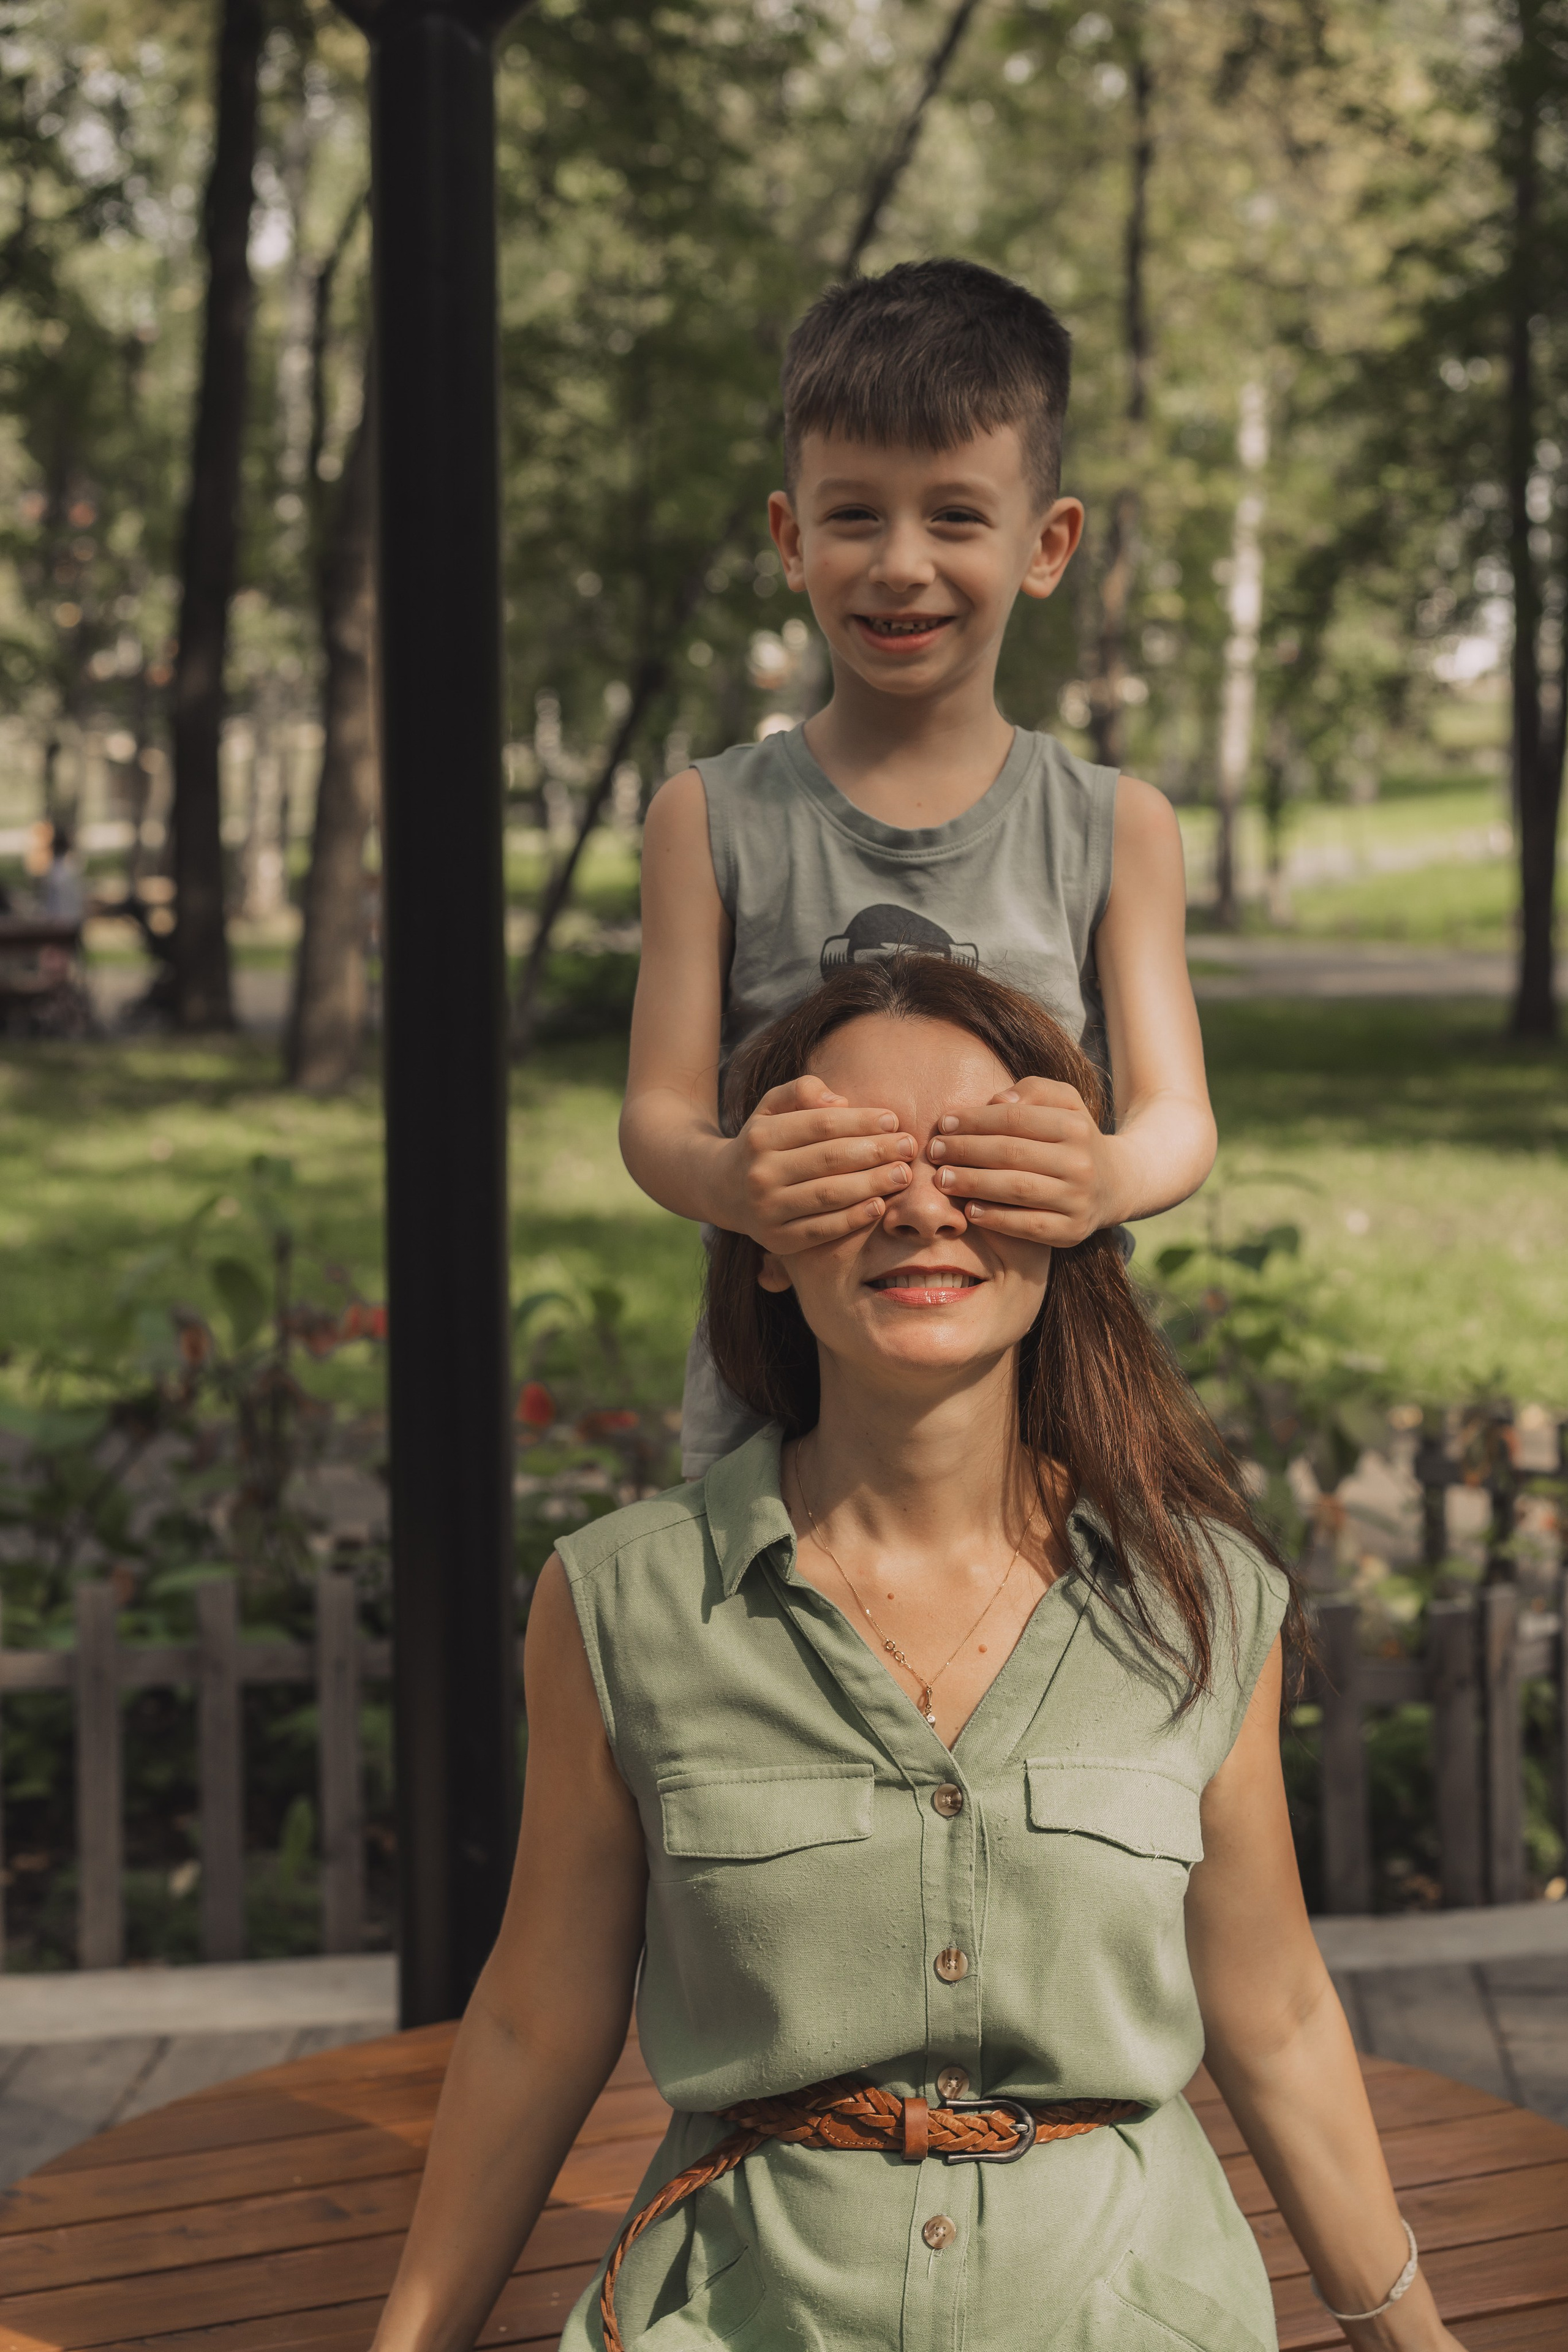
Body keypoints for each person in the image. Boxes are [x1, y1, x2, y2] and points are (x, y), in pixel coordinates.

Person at [369, 957, 1466, 2352]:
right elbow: (535, 2017)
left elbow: (1279, 2013)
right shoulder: (617, 1604)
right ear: (760, 1232)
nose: (922, 1208)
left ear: (1073, 1208)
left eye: (981, 1158)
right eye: (849, 1162)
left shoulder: (1203, 1601)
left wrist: (1412, 2338)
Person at [620, 258, 1216, 1482]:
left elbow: (1177, 1119)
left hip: (1040, 1392)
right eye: (853, 516)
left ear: (1044, 546)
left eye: (953, 515)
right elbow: (654, 1120)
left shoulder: (1118, 826)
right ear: (790, 538)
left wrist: (1101, 1172)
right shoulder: (707, 819)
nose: (900, 562)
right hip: (780, 1400)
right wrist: (733, 1176)